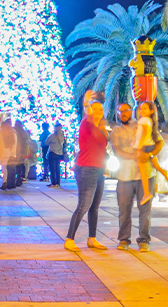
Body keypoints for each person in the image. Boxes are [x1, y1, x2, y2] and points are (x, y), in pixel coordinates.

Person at [64, 101, 109, 252]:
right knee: (83, 205)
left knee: (94, 207)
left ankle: (92, 238)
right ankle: (69, 239)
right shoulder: (86, 124)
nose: (98, 111)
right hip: (86, 169)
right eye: (94, 108)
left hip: (99, 170)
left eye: (100, 109)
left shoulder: (100, 128)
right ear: (88, 110)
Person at [109, 103, 154, 252]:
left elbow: (155, 142)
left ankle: (144, 240)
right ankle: (124, 239)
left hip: (144, 174)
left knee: (145, 210)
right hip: (125, 175)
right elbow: (118, 151)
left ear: (131, 112)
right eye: (120, 111)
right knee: (124, 209)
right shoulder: (116, 131)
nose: (123, 114)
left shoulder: (141, 124)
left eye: (125, 111)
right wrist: (134, 155)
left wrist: (149, 155)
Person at [134, 101, 168, 205]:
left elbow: (143, 134)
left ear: (151, 111)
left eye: (145, 109)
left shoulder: (143, 120)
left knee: (143, 171)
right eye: (141, 109)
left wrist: (138, 147)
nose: (141, 111)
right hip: (150, 145)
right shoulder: (149, 121)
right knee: (158, 167)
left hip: (144, 147)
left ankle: (147, 193)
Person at [46, 122, 66, 188]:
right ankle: (58, 183)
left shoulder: (52, 136)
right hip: (59, 154)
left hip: (52, 153)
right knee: (57, 169)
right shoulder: (62, 137)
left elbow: (46, 142)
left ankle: (53, 183)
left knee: (52, 169)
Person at [0, 120, 17, 190]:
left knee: (6, 168)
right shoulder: (12, 133)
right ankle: (10, 183)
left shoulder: (3, 133)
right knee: (9, 168)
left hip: (6, 151)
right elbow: (13, 143)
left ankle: (7, 183)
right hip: (10, 151)